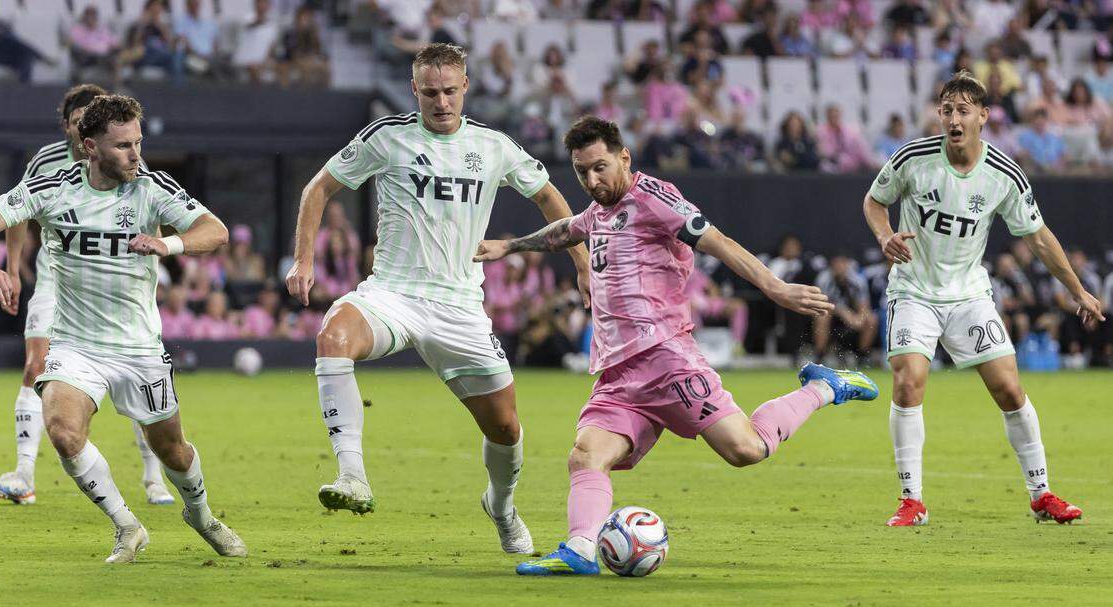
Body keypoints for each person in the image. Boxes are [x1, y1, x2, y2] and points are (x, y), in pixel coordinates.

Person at [472, 116, 878, 576]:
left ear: (624, 158)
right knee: (585, 456)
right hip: (619, 374)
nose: (592, 180)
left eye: (600, 167)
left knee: (745, 450)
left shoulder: (653, 198)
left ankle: (823, 387)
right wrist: (510, 246)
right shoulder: (600, 210)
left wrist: (775, 287)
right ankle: (581, 549)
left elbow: (717, 241)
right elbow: (569, 229)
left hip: (667, 360)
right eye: (582, 171)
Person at [283, 43, 591, 555]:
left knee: (507, 427)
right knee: (333, 336)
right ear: (415, 90)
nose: (441, 102)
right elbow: (318, 188)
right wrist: (303, 258)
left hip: (460, 308)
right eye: (430, 92)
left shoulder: (494, 146)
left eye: (450, 91)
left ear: (465, 87)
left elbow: (548, 197)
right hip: (393, 293)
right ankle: (353, 474)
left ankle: (502, 505)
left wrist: (582, 263)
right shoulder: (388, 138)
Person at [0, 95, 247, 563]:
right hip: (77, 344)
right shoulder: (55, 187)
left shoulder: (152, 188)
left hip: (139, 346)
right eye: (122, 146)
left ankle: (202, 515)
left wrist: (168, 243)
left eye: (138, 143)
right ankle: (127, 525)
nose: (135, 155)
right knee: (62, 430)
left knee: (173, 451)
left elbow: (215, 229)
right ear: (90, 146)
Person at [863, 72, 1104, 527]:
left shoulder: (1003, 175)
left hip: (969, 295)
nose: (954, 119)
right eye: (947, 110)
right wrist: (884, 235)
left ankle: (1042, 495)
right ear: (940, 115)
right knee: (909, 380)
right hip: (913, 290)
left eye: (963, 110)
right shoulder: (913, 158)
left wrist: (1077, 290)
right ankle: (912, 500)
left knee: (1010, 390)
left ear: (983, 117)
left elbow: (1039, 239)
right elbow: (875, 201)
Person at [0, 84, 174, 508]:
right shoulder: (47, 162)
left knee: (135, 379)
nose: (78, 127)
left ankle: (153, 476)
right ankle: (24, 474)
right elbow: (15, 213)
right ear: (71, 127)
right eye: (74, 121)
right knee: (35, 364)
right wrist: (13, 270)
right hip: (57, 278)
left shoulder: (127, 163)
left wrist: (154, 266)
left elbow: (154, 215)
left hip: (120, 283)